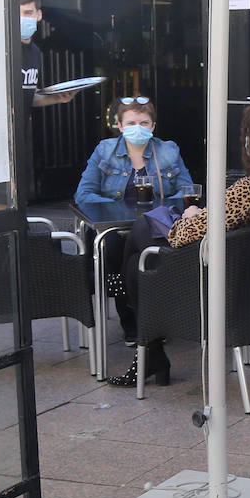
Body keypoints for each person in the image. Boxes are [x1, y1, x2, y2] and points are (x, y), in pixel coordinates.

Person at [105, 100, 250, 387]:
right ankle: (142, 332)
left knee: (141, 239)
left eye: (248, 135)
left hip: (214, 285)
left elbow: (181, 236)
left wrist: (194, 214)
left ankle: (143, 337)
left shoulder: (249, 190)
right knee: (135, 262)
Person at [75, 96, 192, 344]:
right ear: (119, 126)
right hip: (111, 229)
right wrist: (122, 208)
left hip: (153, 226)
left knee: (150, 252)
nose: (137, 128)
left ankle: (153, 319)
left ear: (153, 126)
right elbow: (83, 195)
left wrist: (157, 208)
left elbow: (186, 192)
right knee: (115, 248)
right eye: (130, 122)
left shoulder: (168, 150)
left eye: (143, 122)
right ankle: (131, 321)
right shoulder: (104, 150)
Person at [19, 0, 74, 180]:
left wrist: (58, 98)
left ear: (39, 15)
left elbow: (28, 96)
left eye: (28, 12)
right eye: (18, 13)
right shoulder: (4, 50)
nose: (23, 19)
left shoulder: (35, 52)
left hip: (22, 137)